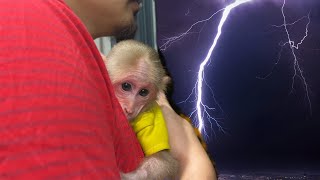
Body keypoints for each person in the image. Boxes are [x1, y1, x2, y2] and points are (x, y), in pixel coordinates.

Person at [0, 0, 216, 179]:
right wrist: (194, 161)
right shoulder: (25, 26)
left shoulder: (80, 56)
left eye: (143, 92)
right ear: (106, 70)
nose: (131, 107)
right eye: (125, 86)